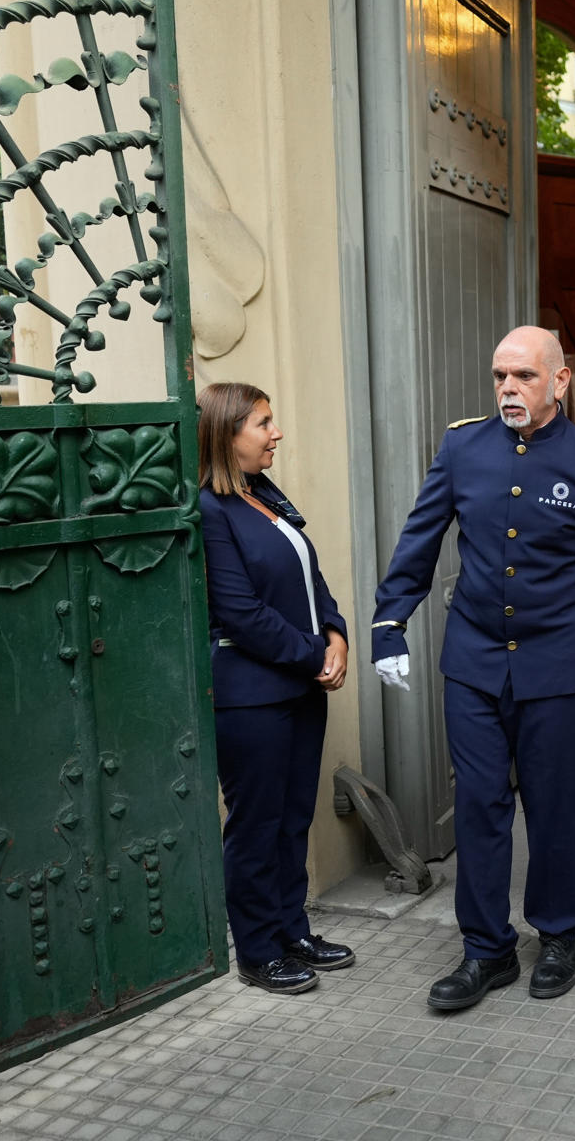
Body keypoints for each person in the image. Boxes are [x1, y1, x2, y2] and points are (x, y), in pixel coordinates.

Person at [369, 326, 575, 1012]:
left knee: (552, 806)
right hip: (475, 660)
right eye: (500, 376)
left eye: (525, 377)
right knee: (479, 807)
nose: (509, 389)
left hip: (556, 665)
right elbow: (421, 537)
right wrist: (390, 622)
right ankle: (486, 950)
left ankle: (559, 935)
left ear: (560, 383)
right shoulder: (462, 447)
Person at [197, 382, 355, 995]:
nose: (276, 433)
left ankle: (294, 930)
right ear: (226, 433)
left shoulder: (261, 493)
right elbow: (239, 612)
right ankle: (258, 950)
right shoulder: (210, 509)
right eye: (263, 423)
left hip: (298, 685)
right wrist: (317, 656)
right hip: (251, 694)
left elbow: (310, 579)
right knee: (256, 825)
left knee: (293, 819)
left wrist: (337, 632)